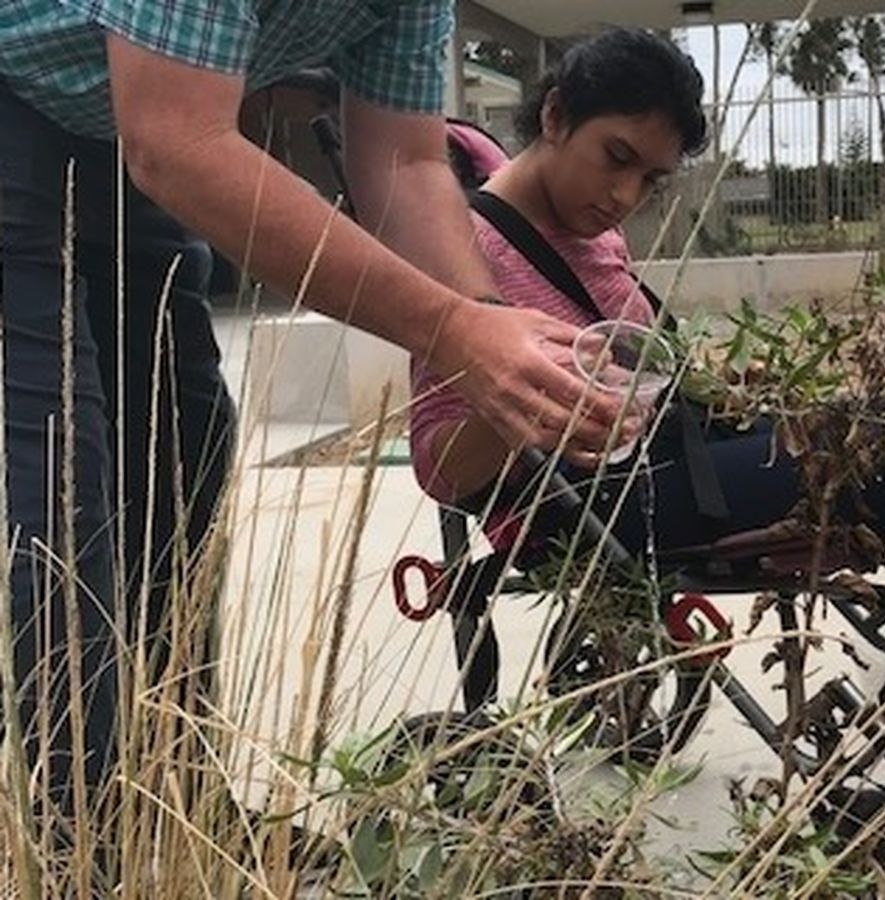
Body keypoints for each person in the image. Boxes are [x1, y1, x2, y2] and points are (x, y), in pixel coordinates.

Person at [410, 27, 885, 787]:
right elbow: (441, 467)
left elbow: (632, 358)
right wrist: (527, 398)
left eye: (650, 180)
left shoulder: (583, 228)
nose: (624, 197)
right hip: (588, 508)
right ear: (554, 115)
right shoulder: (467, 252)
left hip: (669, 456)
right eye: (616, 158)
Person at [0, 0, 629, 835]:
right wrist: (449, 332)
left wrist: (492, 331)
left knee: (184, 451)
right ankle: (84, 839)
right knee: (57, 480)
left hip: (110, 123)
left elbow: (404, 161)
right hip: (36, 102)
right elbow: (177, 143)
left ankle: (173, 806)